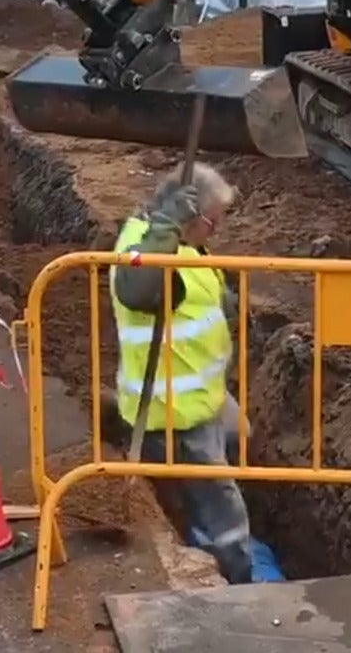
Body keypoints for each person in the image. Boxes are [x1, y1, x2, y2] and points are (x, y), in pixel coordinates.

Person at [110, 162, 254, 584]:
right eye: (213, 223)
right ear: (188, 217)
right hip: (173, 411)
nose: (216, 232)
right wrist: (167, 228)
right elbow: (136, 291)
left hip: (204, 398)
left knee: (240, 434)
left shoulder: (179, 243)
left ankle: (196, 509)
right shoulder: (148, 246)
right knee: (225, 510)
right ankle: (237, 578)